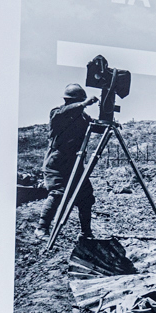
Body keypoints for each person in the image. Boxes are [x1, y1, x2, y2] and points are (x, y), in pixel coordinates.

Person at [35, 83, 99, 240]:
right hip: (56, 163)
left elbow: (95, 125)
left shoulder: (83, 117)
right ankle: (41, 228)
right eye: (77, 103)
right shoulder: (57, 113)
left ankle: (86, 233)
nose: (80, 106)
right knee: (58, 193)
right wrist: (83, 104)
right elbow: (65, 112)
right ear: (68, 101)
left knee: (85, 197)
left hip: (74, 164)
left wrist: (108, 123)